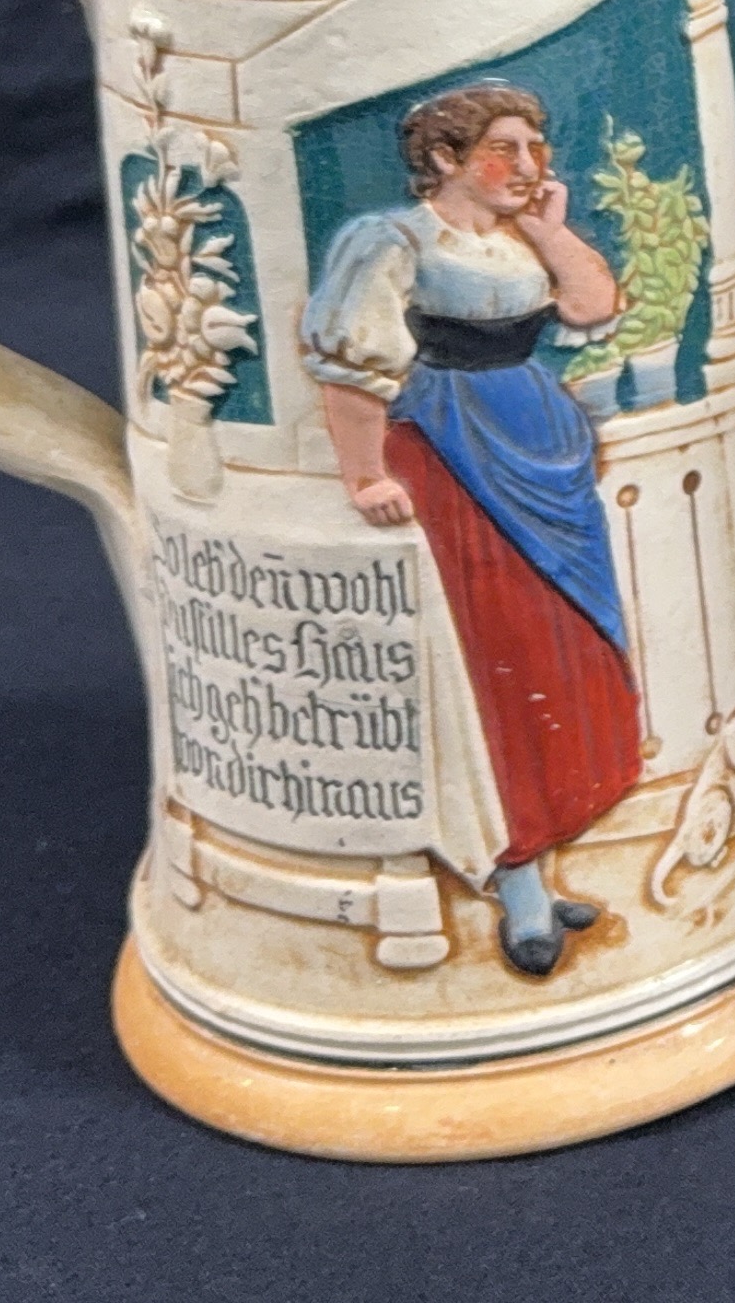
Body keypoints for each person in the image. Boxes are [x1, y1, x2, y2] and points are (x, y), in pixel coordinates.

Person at [303, 83, 639, 975]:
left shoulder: (518, 237)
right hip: (454, 458)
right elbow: (351, 368)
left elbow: (592, 304)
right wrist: (366, 474)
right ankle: (515, 876)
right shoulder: (394, 240)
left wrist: (549, 228)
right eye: (505, 149)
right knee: (500, 659)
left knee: (567, 650)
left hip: (540, 448)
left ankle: (539, 865)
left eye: (536, 147)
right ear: (446, 159)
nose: (528, 166)